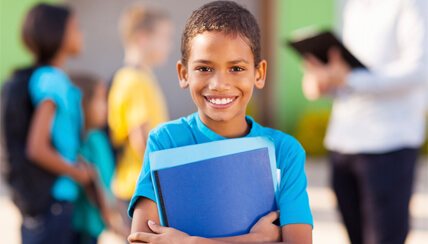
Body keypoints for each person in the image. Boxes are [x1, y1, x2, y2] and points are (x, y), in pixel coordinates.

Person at [127, 1, 313, 244]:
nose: (219, 84)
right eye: (204, 68)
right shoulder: (166, 141)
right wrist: (255, 239)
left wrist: (188, 242)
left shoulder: (285, 152)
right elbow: (142, 239)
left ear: (259, 74)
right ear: (184, 74)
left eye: (236, 68)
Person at [301, 0, 427, 243]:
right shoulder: (348, 4)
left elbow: (419, 69)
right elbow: (346, 68)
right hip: (344, 141)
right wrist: (325, 81)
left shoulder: (412, 3)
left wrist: (350, 80)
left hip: (389, 143)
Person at [19, 3, 94, 244]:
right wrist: (78, 173)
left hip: (58, 203)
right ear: (58, 34)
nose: (81, 34)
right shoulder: (53, 80)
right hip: (55, 203)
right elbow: (36, 148)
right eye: (76, 28)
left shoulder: (52, 78)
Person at [108, 3, 172, 227]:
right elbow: (140, 139)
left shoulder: (139, 75)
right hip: (141, 187)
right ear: (143, 38)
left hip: (138, 184)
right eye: (164, 37)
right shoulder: (134, 80)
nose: (169, 45)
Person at [69, 73, 130, 243]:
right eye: (100, 100)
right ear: (83, 104)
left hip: (88, 224)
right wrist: (112, 221)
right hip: (86, 225)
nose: (106, 107)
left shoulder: (91, 139)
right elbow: (96, 184)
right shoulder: (91, 140)